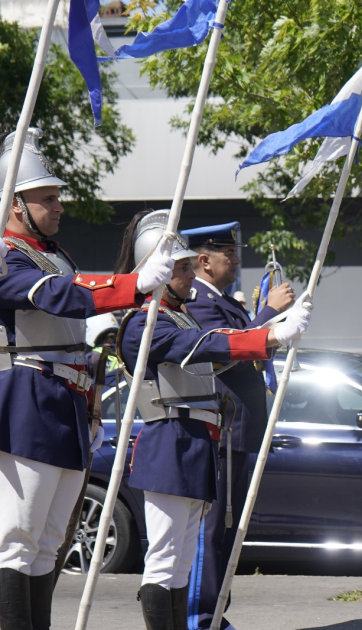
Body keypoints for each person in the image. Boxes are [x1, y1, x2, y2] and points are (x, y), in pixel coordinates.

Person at [0, 128, 175, 630]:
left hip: (66, 404)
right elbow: (57, 294)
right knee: (19, 538)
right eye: (47, 198)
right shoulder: (8, 254)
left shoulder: (53, 252)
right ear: (16, 203)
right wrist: (130, 284)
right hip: (28, 400)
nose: (59, 206)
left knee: (51, 540)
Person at [115, 211, 311, 629]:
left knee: (182, 561)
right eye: (180, 267)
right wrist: (270, 331)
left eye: (188, 265)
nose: (188, 274)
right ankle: (199, 621)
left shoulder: (178, 313)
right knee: (167, 560)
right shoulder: (144, 322)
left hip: (195, 444)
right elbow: (204, 343)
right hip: (170, 446)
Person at [177, 222, 294, 630]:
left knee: (228, 532)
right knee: (213, 531)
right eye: (229, 254)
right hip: (224, 428)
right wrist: (268, 314)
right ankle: (198, 618)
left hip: (241, 429)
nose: (238, 260)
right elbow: (225, 346)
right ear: (204, 261)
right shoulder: (198, 300)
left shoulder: (223, 299)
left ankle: (213, 613)